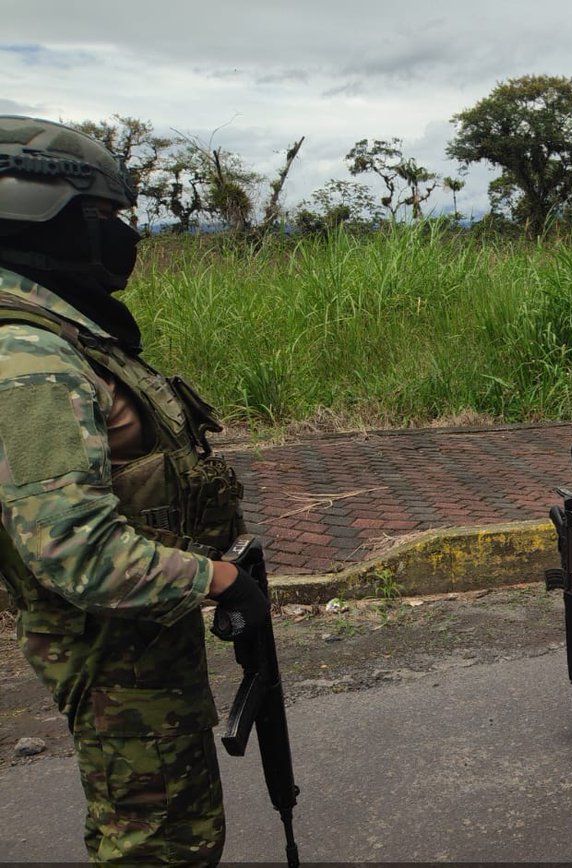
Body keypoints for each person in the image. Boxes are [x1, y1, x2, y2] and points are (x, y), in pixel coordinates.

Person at [0, 116, 269, 864]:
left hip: (133, 635)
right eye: (104, 215)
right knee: (161, 843)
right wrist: (218, 580)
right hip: (110, 646)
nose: (124, 235)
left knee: (158, 828)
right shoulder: (26, 355)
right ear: (38, 211)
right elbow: (74, 549)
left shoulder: (57, 330)